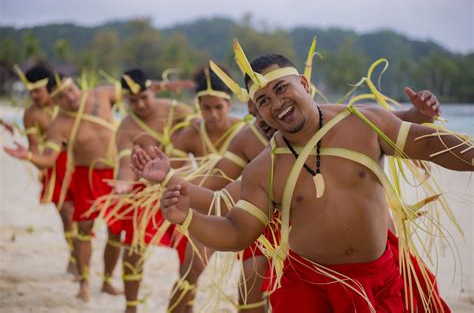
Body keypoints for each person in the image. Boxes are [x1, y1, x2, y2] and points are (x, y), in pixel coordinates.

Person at [135, 49, 472, 312]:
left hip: (379, 276)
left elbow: (428, 144)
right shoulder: (262, 167)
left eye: (282, 88)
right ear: (256, 111)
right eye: (263, 101)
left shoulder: (361, 121)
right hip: (308, 287)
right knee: (251, 283)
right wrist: (188, 217)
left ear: (304, 85)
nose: (276, 104)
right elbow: (236, 227)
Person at [5, 74, 122, 301]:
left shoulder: (101, 94)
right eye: (63, 96)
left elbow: (136, 97)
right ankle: (84, 282)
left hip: (116, 175)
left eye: (72, 90)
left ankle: (107, 280)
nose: (71, 97)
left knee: (116, 231)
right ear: (55, 101)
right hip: (85, 176)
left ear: (77, 86)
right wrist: (28, 154)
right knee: (83, 229)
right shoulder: (59, 125)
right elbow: (48, 159)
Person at [114, 68, 193, 313]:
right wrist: (123, 182)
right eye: (133, 100)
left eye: (144, 97)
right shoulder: (126, 127)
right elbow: (125, 162)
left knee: (191, 252)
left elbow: (202, 136)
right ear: (125, 100)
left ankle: (186, 303)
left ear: (152, 91)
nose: (140, 104)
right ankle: (131, 306)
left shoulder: (177, 110)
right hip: (145, 192)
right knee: (134, 246)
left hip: (183, 188)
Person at [5, 64, 76, 276]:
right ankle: (74, 256)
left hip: (80, 162)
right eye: (30, 91)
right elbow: (35, 150)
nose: (33, 95)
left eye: (38, 90)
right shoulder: (31, 115)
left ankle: (81, 256)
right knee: (66, 213)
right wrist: (28, 156)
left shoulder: (67, 101)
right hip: (53, 167)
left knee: (83, 216)